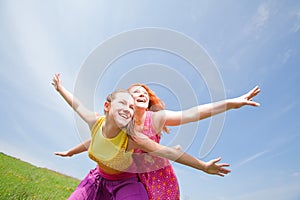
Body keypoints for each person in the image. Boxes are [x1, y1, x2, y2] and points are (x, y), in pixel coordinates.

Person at [52, 74, 232, 200]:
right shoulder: (96, 122)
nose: (128, 108)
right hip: (98, 178)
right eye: (125, 101)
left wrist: (203, 166)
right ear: (107, 106)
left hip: (126, 181)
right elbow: (77, 107)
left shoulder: (135, 135)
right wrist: (60, 89)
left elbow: (169, 150)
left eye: (131, 107)